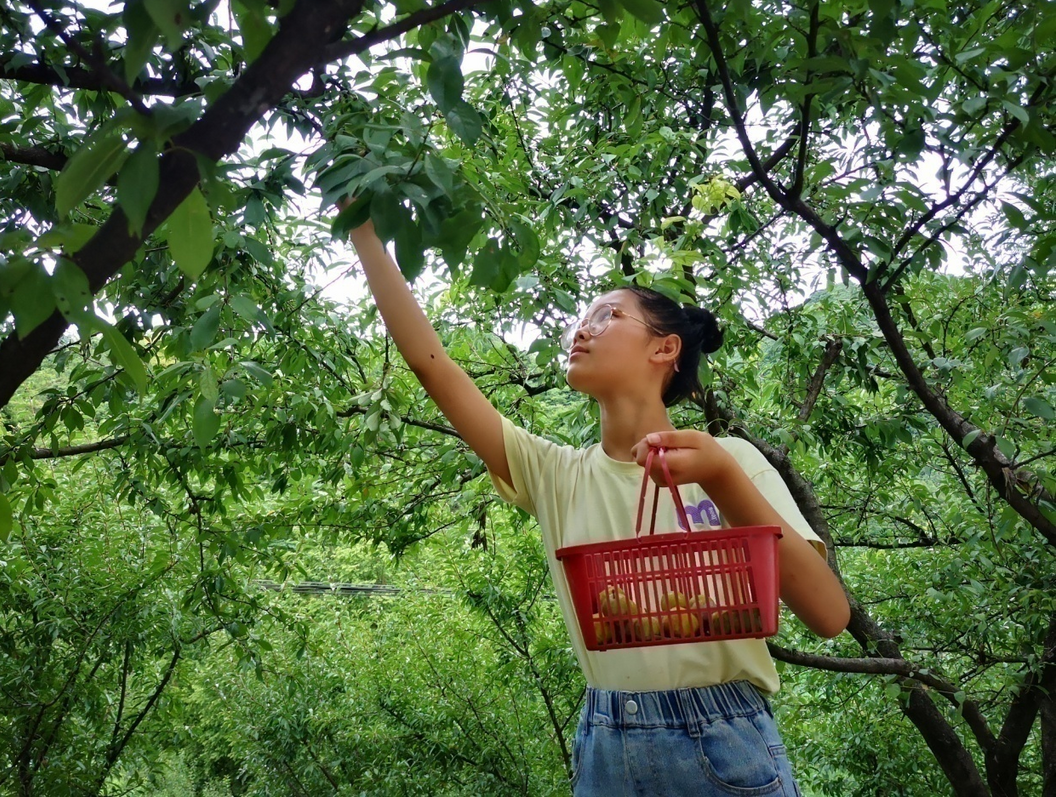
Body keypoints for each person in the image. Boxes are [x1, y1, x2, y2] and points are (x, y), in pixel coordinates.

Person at [345, 211, 850, 796]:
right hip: (606, 740)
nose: (581, 330)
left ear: (665, 348)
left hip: (727, 737)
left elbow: (828, 615)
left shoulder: (731, 459)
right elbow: (430, 366)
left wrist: (719, 475)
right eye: (581, 321)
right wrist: (364, 235)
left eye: (607, 315)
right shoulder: (556, 475)